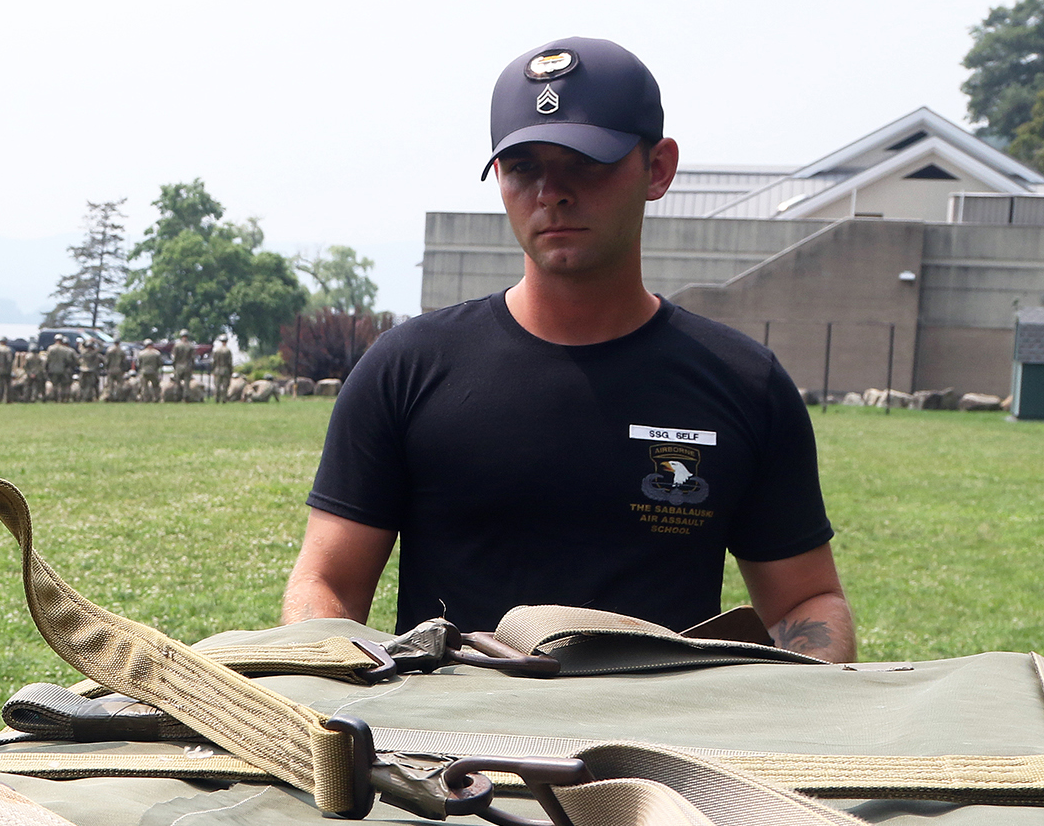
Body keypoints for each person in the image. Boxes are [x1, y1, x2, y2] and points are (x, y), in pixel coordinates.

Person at [282, 37, 851, 655]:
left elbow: (805, 601)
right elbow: (326, 584)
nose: (552, 191)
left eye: (587, 162)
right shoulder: (406, 369)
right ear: (498, 175)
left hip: (660, 743)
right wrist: (337, 700)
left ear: (657, 168)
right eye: (524, 166)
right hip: (450, 745)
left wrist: (793, 717)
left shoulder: (743, 383)